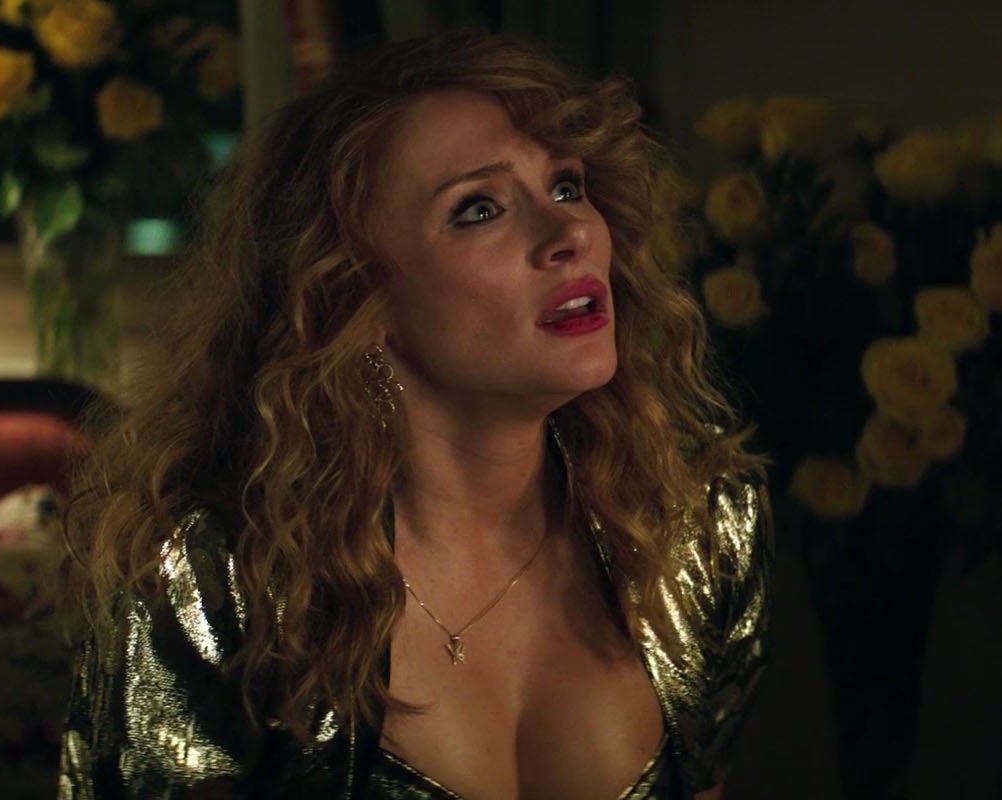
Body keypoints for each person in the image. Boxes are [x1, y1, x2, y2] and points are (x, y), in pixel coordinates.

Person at [55, 29, 774, 799]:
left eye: (566, 187)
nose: (568, 234)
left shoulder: (694, 523)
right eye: (479, 209)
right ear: (353, 298)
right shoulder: (218, 579)